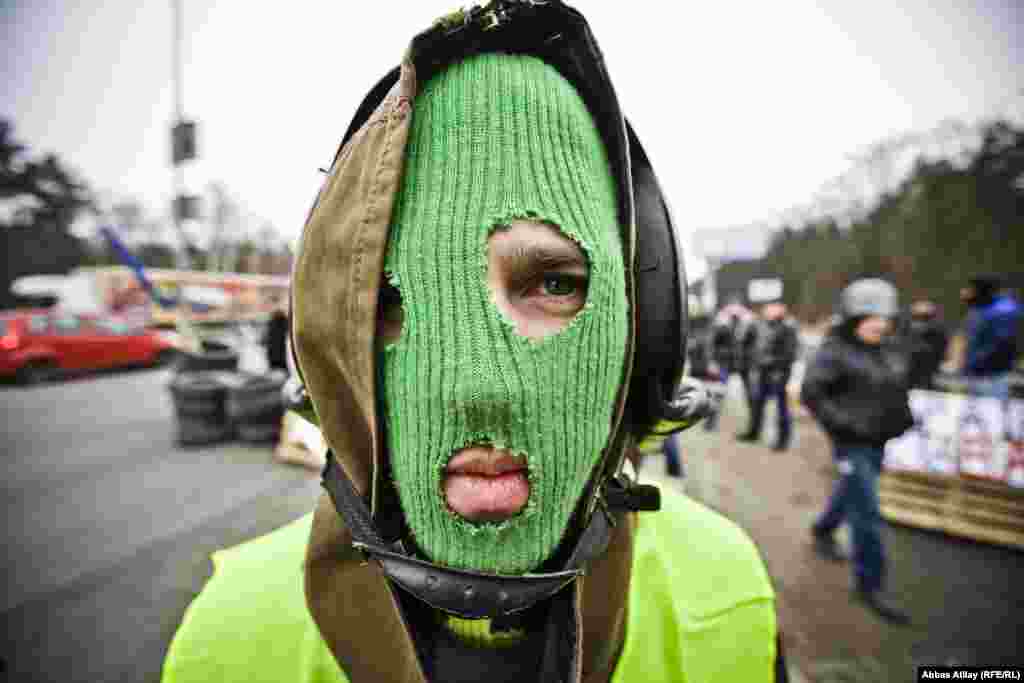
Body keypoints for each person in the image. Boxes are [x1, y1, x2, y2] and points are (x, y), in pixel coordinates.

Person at [161, 3, 786, 682]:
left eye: (552, 282)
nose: (478, 387)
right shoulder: (227, 641)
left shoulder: (731, 596)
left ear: (645, 323)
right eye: (389, 301)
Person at [801, 278, 914, 625]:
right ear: (854, 320)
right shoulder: (835, 351)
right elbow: (812, 393)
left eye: (883, 318)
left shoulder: (887, 348)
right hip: (851, 443)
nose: (879, 324)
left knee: (852, 490)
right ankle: (870, 584)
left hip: (879, 440)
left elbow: (895, 385)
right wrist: (844, 425)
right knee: (867, 512)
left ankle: (823, 529)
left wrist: (901, 417)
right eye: (870, 319)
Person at [737, 302, 799, 451]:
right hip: (764, 371)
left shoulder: (788, 328)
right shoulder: (764, 326)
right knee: (758, 403)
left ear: (780, 310)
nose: (766, 311)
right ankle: (753, 433)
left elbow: (789, 354)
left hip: (779, 373)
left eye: (770, 309)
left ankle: (782, 441)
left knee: (782, 408)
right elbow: (756, 345)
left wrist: (769, 361)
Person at [961, 274, 1022, 402]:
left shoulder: (1003, 311)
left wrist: (978, 362)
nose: (965, 292)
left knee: (991, 411)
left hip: (993, 376)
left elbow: (1002, 345)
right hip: (975, 374)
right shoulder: (977, 309)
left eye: (971, 289)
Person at [904, 300, 948, 390]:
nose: (920, 322)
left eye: (925, 318)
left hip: (928, 383)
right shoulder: (902, 335)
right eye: (916, 317)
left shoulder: (938, 336)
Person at [263, 304, 290, 372]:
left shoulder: (272, 323)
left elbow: (268, 341)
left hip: (277, 356)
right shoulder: (285, 323)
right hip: (280, 356)